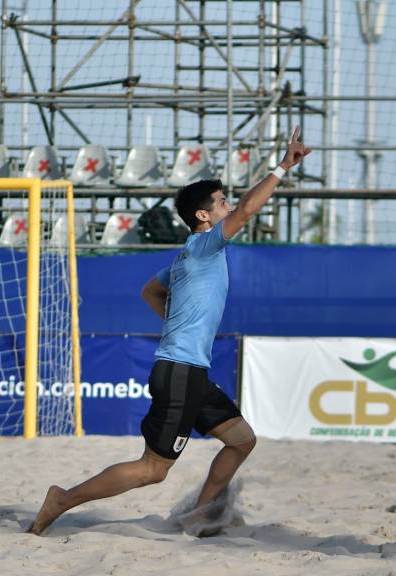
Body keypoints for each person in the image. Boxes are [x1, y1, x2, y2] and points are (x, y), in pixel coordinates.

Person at [28, 127, 312, 536]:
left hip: (190, 371)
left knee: (242, 440)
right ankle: (63, 499)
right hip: (180, 371)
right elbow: (247, 211)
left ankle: (198, 514)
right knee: (153, 469)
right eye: (221, 203)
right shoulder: (203, 247)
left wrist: (177, 322)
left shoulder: (186, 256)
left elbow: (150, 291)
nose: (228, 206)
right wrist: (283, 166)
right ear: (204, 216)